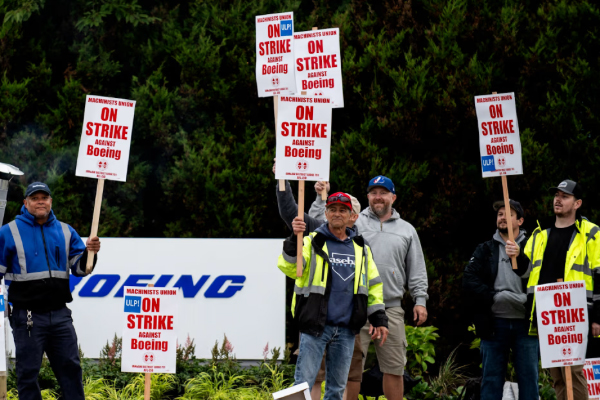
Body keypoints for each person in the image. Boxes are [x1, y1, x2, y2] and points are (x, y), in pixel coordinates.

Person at [309, 175, 429, 400]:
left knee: (394, 368)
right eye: (373, 193)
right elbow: (317, 225)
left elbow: (417, 268)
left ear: (393, 197)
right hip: (355, 307)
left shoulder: (407, 230)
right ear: (367, 197)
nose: (378, 197)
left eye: (383, 193)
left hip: (391, 307)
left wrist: (420, 300)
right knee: (351, 370)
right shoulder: (354, 222)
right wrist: (320, 196)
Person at [277, 192, 389, 400]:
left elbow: (373, 285)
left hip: (346, 329)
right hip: (315, 326)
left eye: (342, 210)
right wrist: (294, 238)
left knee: (336, 390)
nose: (337, 214)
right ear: (326, 214)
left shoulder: (361, 248)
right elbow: (290, 268)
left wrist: (378, 318)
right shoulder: (312, 241)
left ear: (351, 216)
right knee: (302, 384)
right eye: (333, 209)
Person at [0, 182, 100, 400]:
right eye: (34, 198)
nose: (40, 202)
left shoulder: (66, 231)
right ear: (25, 203)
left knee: (71, 369)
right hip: (27, 317)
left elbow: (81, 268)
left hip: (60, 315)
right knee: (28, 374)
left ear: (51, 201)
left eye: (44, 198)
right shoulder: (8, 232)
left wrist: (90, 253)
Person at [513, 179, 600, 400]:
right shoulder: (540, 234)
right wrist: (515, 254)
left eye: (565, 196)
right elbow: (524, 271)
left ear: (577, 203)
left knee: (575, 373)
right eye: (556, 195)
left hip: (578, 314)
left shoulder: (591, 233)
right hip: (548, 314)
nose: (558, 200)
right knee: (558, 376)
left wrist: (598, 317)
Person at [463, 199, 539, 400]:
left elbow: (542, 277)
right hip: (494, 324)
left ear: (520, 221)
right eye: (500, 214)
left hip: (527, 324)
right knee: (491, 380)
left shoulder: (533, 247)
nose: (502, 217)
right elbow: (469, 279)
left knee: (529, 380)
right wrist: (494, 297)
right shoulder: (485, 249)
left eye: (508, 214)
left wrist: (526, 299)